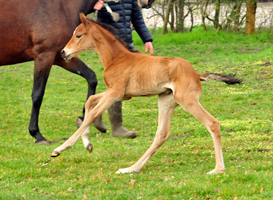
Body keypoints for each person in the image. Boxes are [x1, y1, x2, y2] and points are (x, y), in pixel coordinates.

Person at [93, 0, 154, 138]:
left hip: (126, 45)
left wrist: (147, 39)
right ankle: (117, 127)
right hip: (111, 48)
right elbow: (90, 18)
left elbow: (137, 18)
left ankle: (95, 111)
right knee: (118, 85)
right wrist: (96, 8)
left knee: (123, 85)